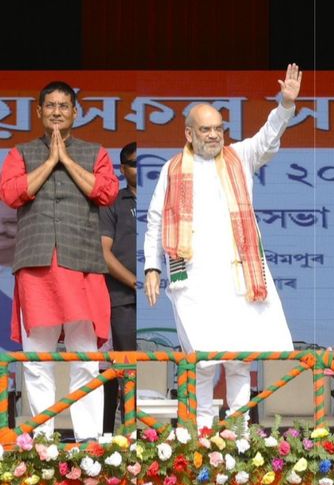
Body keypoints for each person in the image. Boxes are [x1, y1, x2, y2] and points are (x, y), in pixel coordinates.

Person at [144, 66, 300, 429]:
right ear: (189, 133)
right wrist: (152, 266)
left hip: (237, 278)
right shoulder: (171, 170)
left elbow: (267, 138)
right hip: (193, 282)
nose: (214, 135)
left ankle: (241, 434)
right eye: (205, 129)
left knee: (239, 360)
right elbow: (155, 219)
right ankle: (201, 434)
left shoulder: (239, 157)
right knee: (201, 361)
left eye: (218, 128)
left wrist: (286, 105)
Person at [0, 81, 120, 440]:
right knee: (38, 360)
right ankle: (42, 442)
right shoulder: (20, 153)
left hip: (81, 265)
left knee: (85, 355)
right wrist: (49, 161)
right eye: (49, 106)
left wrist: (65, 160)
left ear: (75, 112)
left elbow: (107, 192)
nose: (56, 111)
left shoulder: (94, 152)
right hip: (37, 268)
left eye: (63, 106)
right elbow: (10, 193)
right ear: (38, 112)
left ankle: (88, 441)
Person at [99, 141, 137, 434]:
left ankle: (152, 439)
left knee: (177, 368)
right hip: (123, 298)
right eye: (135, 164)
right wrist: (136, 282)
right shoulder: (113, 203)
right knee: (123, 370)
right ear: (123, 169)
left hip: (164, 298)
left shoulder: (164, 199)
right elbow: (104, 253)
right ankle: (123, 438)